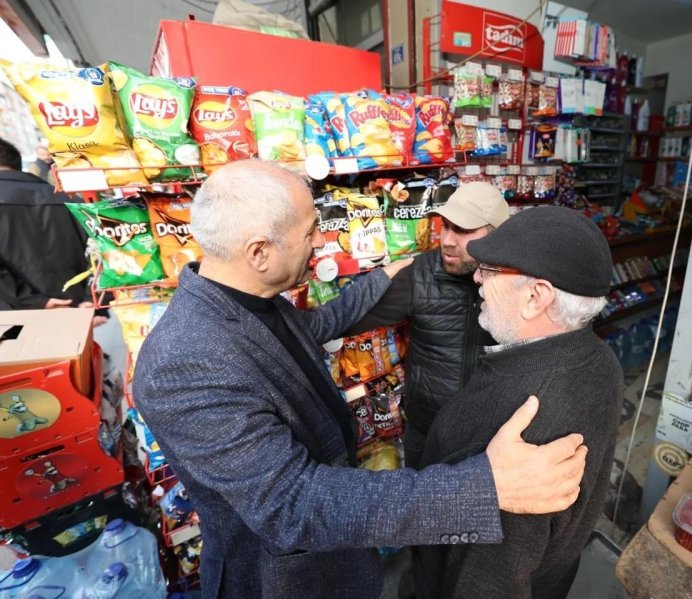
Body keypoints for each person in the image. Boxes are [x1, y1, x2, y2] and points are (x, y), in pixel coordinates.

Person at [132, 160, 589, 598]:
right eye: (310, 232)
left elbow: (314, 330)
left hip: (337, 555)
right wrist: (487, 488)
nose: (320, 242)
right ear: (259, 252)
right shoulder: (184, 362)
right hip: (286, 578)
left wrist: (378, 279)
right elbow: (294, 503)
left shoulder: (257, 303)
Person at [414, 206, 625, 599]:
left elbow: (487, 583)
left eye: (490, 270)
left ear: (535, 297)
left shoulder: (518, 431)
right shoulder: (599, 357)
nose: (477, 277)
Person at [348, 181, 509, 468]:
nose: (447, 240)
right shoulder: (419, 275)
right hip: (428, 435)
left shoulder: (519, 281)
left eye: (462, 230)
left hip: (493, 439)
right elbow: (344, 320)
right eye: (446, 226)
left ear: (496, 234)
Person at [0, 137, 97, 317]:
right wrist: (91, 300)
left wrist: (34, 301)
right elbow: (101, 249)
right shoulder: (69, 200)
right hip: (79, 307)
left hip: (18, 317)